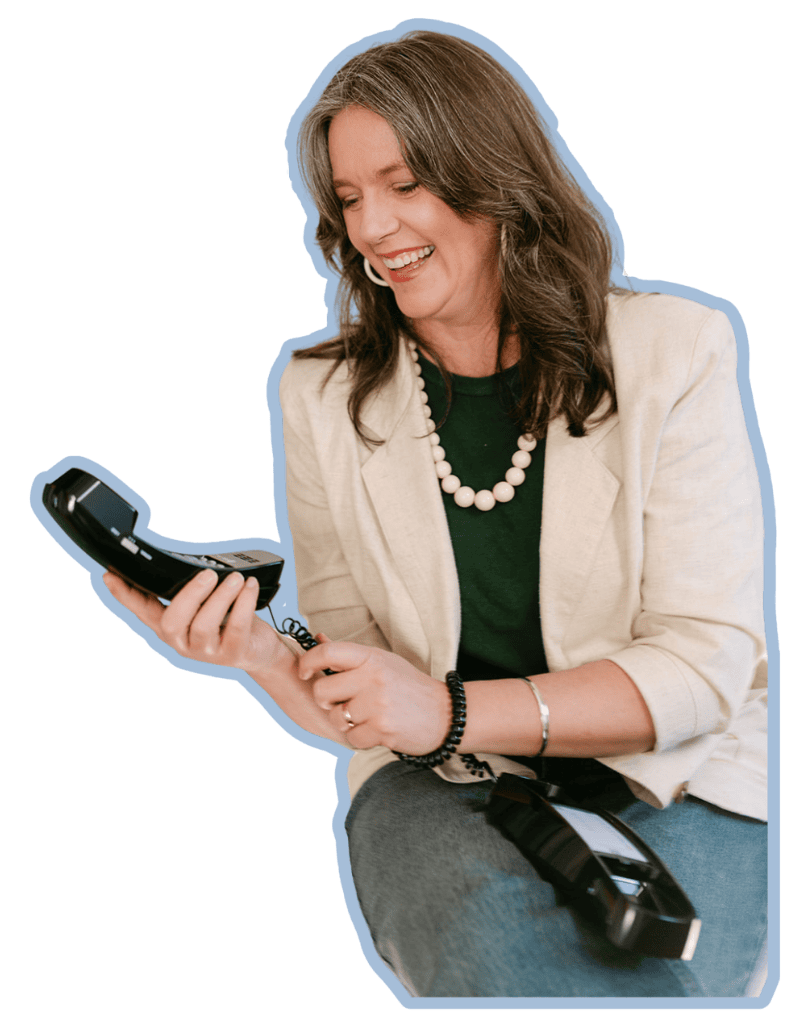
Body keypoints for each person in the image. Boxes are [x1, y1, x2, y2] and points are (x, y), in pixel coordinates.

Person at [102, 30, 768, 999]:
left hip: (681, 770)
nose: (372, 226)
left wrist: (451, 707)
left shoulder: (676, 353)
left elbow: (705, 664)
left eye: (404, 181)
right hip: (443, 780)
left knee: (658, 988)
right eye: (349, 198)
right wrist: (255, 651)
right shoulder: (321, 395)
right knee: (500, 963)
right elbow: (361, 678)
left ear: (493, 176)